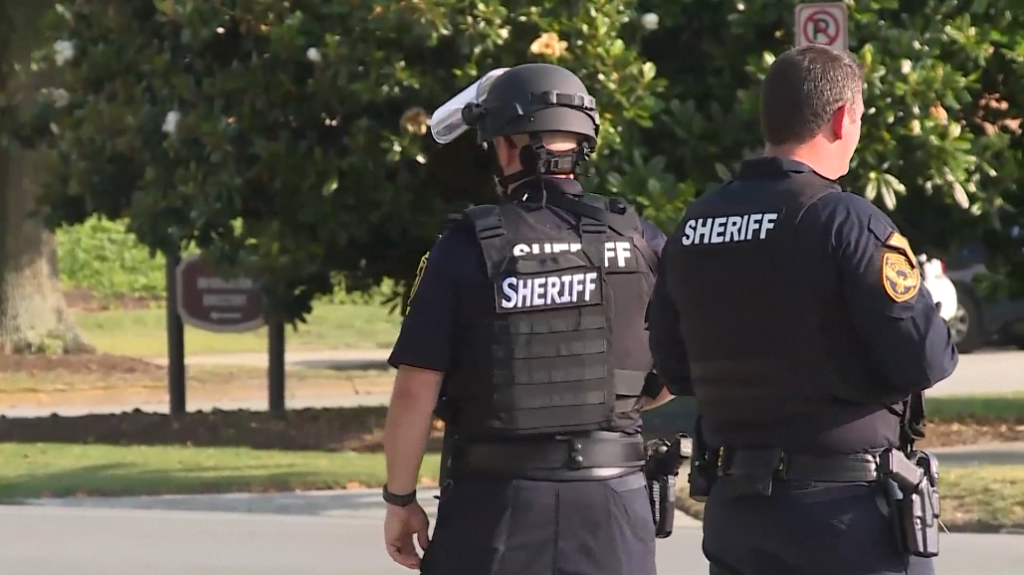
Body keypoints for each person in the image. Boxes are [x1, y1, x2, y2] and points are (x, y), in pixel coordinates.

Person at [647, 45, 957, 575]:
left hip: (738, 516)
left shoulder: (696, 224)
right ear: (842, 118)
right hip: (843, 514)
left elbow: (675, 368)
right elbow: (925, 360)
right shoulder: (846, 221)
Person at [381, 62, 674, 575]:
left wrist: (400, 499)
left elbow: (415, 389)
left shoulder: (468, 246)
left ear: (506, 145)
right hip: (613, 506)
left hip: (496, 506)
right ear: (581, 142)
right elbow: (684, 359)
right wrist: (626, 400)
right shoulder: (640, 240)